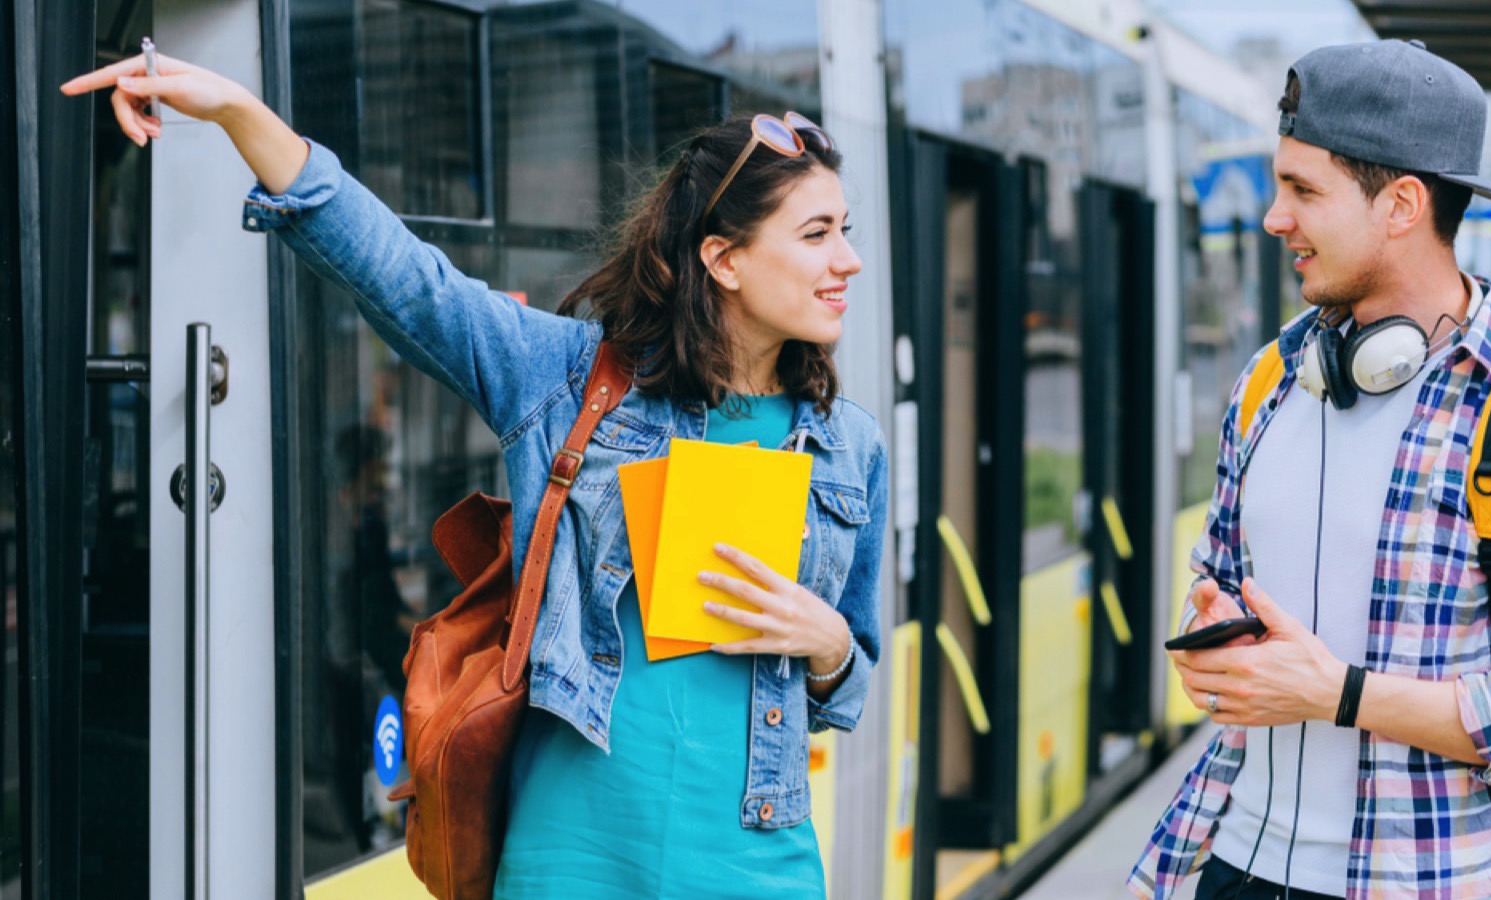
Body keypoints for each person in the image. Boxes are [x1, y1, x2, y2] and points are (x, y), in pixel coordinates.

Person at [64, 50, 886, 899]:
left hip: (758, 869)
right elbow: (410, 283)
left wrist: (828, 647)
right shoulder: (571, 383)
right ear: (724, 259)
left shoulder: (847, 450)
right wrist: (239, 109)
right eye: (816, 234)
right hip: (572, 864)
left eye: (845, 231)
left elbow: (840, 682)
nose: (847, 261)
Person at [1128, 40, 1491, 899]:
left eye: (1303, 191)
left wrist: (1339, 692)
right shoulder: (1271, 379)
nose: (1275, 217)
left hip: (1439, 883)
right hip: (1233, 867)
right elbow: (1219, 579)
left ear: (1402, 205)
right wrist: (1219, 629)